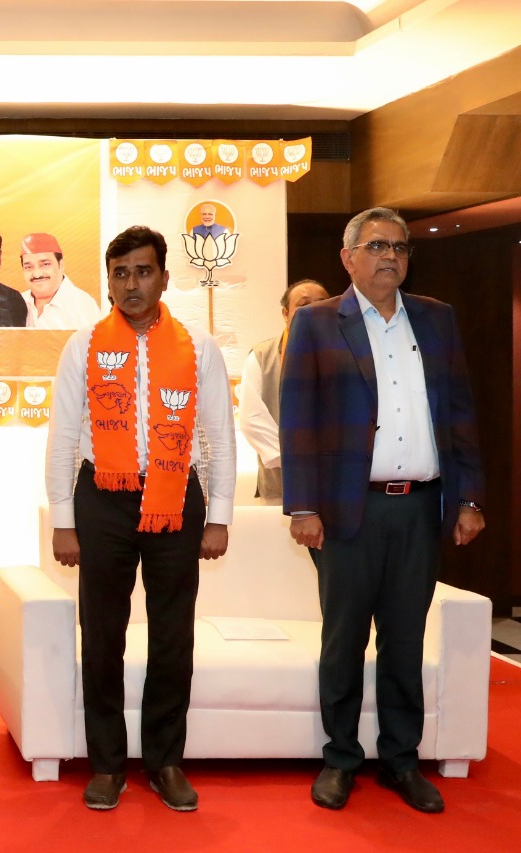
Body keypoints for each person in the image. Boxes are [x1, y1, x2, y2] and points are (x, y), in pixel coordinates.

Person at [280, 207, 485, 814]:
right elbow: (299, 421)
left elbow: (461, 414)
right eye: (375, 246)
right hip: (348, 511)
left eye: (399, 246)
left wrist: (469, 496)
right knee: (343, 641)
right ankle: (340, 758)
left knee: (405, 639)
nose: (390, 255)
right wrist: (301, 506)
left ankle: (401, 759)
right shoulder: (318, 323)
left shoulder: (437, 319)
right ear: (348, 258)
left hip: (420, 508)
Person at [48, 225, 234, 813]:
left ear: (163, 277)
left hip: (178, 495)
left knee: (172, 635)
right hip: (102, 496)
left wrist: (220, 516)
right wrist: (62, 519)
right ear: (108, 280)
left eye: (143, 271)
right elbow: (61, 437)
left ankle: (166, 761)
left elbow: (219, 437)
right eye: (121, 272)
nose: (131, 284)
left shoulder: (199, 347)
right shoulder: (82, 344)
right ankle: (106, 765)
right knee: (102, 635)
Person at [236, 278, 330, 500]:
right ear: (286, 314)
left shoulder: (346, 352)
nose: (314, 310)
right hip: (282, 477)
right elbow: (252, 419)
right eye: (304, 304)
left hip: (334, 476)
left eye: (322, 303)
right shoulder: (262, 356)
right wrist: (294, 461)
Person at [20, 232, 103, 330]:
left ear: (61, 265)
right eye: (28, 267)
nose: (37, 274)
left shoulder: (83, 306)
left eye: (45, 264)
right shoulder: (16, 303)